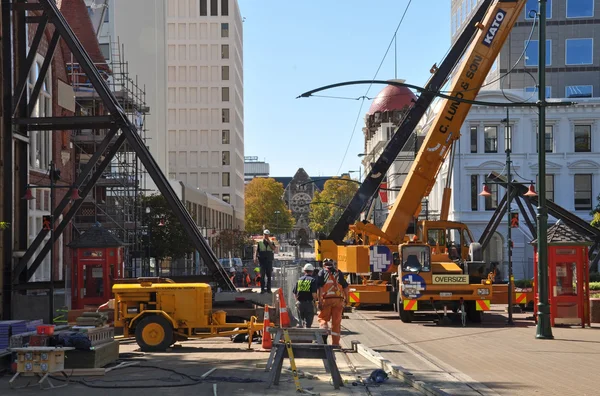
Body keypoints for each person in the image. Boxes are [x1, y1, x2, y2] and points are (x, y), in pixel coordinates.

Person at [316, 259, 349, 347]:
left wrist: (319, 301)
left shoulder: (322, 273)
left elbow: (320, 288)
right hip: (338, 300)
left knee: (323, 319)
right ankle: (335, 344)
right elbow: (345, 287)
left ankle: (323, 340)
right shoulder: (339, 273)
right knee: (336, 323)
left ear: (324, 265)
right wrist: (347, 299)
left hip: (326, 300)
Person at [293, 263, 318, 328]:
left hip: (299, 303)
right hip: (309, 304)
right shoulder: (312, 280)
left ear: (304, 271)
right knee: (308, 324)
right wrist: (315, 302)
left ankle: (300, 337)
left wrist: (297, 301)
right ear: (312, 271)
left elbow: (295, 293)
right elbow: (314, 294)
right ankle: (308, 337)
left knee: (300, 323)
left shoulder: (299, 280)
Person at [254, 229, 277, 294]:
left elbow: (273, 249)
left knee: (269, 276)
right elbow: (256, 251)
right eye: (265, 235)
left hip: (269, 261)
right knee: (262, 276)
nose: (266, 236)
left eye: (267, 235)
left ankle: (268, 289)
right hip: (262, 261)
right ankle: (262, 289)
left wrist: (269, 242)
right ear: (263, 235)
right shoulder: (260, 242)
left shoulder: (271, 242)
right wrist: (255, 258)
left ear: (269, 235)